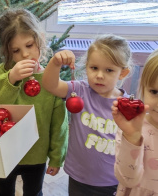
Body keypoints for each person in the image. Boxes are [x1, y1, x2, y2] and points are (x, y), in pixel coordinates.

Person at [0, 8, 69, 196]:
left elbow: (59, 122)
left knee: (34, 192)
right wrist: (10, 79)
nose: (26, 55)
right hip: (5, 152)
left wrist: (56, 157)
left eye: (30, 45)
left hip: (36, 154)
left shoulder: (50, 80)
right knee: (3, 192)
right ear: (8, 51)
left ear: (41, 40)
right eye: (16, 50)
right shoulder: (3, 73)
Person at [42, 34, 134, 196]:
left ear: (123, 73)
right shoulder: (79, 90)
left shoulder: (128, 106)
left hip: (112, 180)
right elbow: (51, 85)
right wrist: (55, 63)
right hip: (79, 177)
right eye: (94, 68)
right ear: (86, 67)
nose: (99, 75)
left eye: (109, 70)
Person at [111, 49, 158, 195]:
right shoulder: (133, 127)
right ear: (143, 88)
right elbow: (127, 179)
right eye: (154, 92)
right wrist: (132, 138)